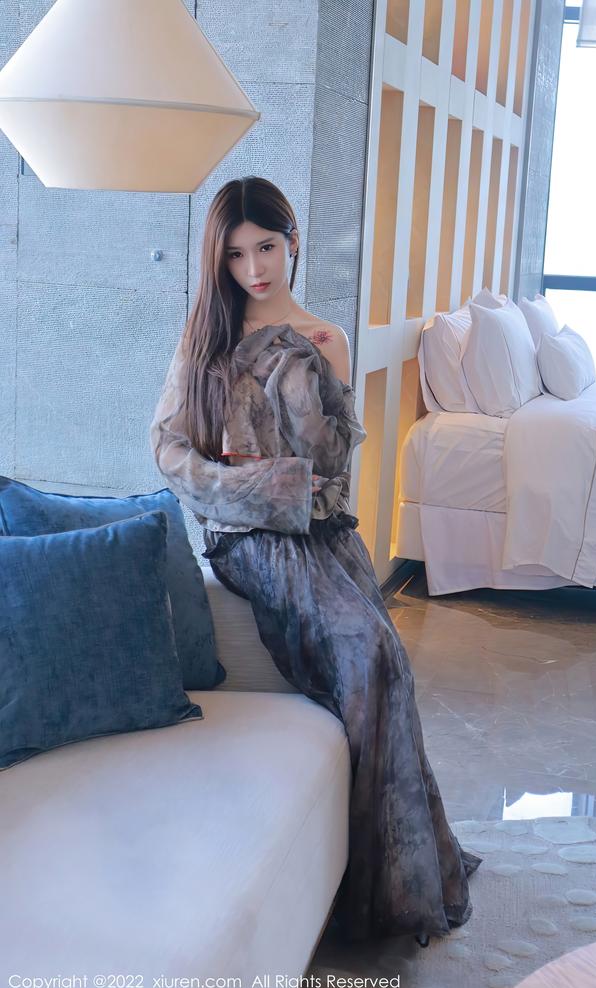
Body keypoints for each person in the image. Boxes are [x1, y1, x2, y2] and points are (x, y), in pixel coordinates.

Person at [150, 176, 480, 945]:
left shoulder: (327, 339)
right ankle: (378, 889)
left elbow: (331, 478)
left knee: (386, 658)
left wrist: (292, 438)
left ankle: (389, 877)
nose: (254, 269)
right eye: (236, 255)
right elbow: (169, 452)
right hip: (245, 538)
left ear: (292, 241)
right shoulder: (204, 340)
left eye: (266, 247)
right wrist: (261, 486)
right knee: (364, 649)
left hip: (322, 534)